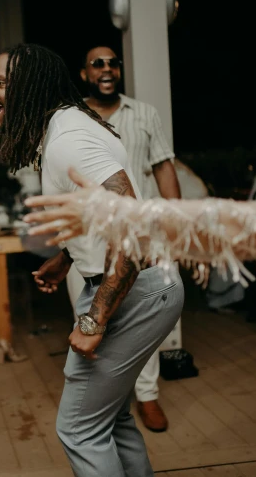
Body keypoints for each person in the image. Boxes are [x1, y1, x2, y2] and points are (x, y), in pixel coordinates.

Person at [23, 22, 256, 477]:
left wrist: (138, 221)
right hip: (112, 257)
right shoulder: (79, 123)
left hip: (140, 263)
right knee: (109, 413)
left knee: (79, 425)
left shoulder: (108, 125)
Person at [0, 43, 184, 476]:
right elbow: (98, 213)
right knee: (112, 418)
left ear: (31, 87)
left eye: (0, 82)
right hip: (143, 285)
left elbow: (130, 227)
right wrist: (68, 256)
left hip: (137, 291)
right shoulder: (67, 128)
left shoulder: (68, 141)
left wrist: (94, 319)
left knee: (78, 428)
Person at [67, 44, 182, 432]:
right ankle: (106, 402)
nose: (106, 69)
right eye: (96, 63)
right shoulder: (73, 118)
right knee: (89, 320)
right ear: (84, 73)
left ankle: (147, 396)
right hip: (86, 242)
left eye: (112, 63)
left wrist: (176, 224)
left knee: (140, 322)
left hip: (138, 242)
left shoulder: (145, 114)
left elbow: (164, 168)